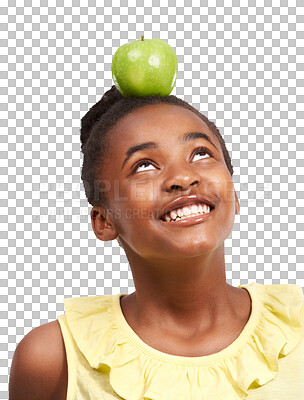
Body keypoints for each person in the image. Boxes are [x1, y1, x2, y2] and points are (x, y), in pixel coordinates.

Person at [9, 85, 304, 400]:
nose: (183, 177)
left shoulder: (296, 330)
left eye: (201, 153)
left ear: (234, 194)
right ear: (104, 221)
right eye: (143, 166)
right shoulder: (54, 360)